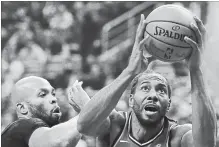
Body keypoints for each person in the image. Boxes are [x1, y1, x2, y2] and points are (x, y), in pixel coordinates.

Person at [77, 14, 217, 147]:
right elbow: (84, 126)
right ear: (130, 100)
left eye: (161, 90)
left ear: (169, 104)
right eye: (145, 88)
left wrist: (195, 70)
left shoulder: (177, 136)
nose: (153, 95)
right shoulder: (115, 126)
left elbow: (206, 144)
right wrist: (130, 71)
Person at [1, 77, 90, 147]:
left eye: (53, 94)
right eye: (43, 94)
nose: (54, 99)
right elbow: (59, 142)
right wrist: (87, 109)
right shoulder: (21, 127)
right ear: (23, 108)